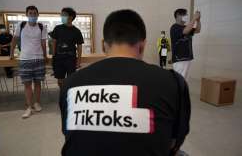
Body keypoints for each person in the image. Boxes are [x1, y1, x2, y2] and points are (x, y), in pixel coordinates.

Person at [59, 9, 191, 156]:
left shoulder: (70, 83)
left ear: (103, 45)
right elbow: (174, 142)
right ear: (142, 45)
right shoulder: (172, 82)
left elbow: (69, 135)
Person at [10, 5, 47, 119]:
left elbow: (43, 42)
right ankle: (29, 107)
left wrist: (45, 55)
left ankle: (36, 103)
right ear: (26, 14)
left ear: (38, 15)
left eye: (35, 13)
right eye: (30, 13)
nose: (33, 15)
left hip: (39, 58)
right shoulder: (21, 26)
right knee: (27, 84)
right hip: (25, 59)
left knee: (37, 83)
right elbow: (15, 40)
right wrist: (11, 53)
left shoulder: (41, 27)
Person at [51, 7, 84, 88]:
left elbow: (79, 46)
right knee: (60, 80)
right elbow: (53, 42)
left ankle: (69, 96)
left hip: (71, 58)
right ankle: (63, 94)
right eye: (61, 15)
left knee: (71, 80)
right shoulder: (57, 28)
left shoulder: (76, 31)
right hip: (59, 58)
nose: (62, 16)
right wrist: (53, 56)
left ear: (71, 17)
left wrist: (79, 60)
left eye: (64, 15)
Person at [170, 8, 201, 78]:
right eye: (184, 14)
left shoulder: (186, 27)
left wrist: (198, 20)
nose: (186, 16)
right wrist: (194, 18)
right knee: (179, 81)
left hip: (187, 58)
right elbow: (185, 31)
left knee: (184, 81)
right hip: (179, 59)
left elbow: (197, 30)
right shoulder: (174, 27)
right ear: (178, 15)